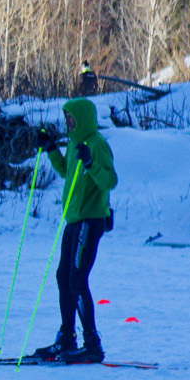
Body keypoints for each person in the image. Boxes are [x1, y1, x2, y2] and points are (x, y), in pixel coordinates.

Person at [26, 97, 117, 364]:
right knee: (63, 277)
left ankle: (92, 344)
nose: (67, 122)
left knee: (77, 279)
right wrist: (51, 148)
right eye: (66, 117)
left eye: (71, 117)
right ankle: (67, 337)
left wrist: (90, 164)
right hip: (74, 221)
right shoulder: (77, 143)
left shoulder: (97, 144)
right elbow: (67, 172)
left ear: (83, 119)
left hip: (90, 220)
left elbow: (109, 181)